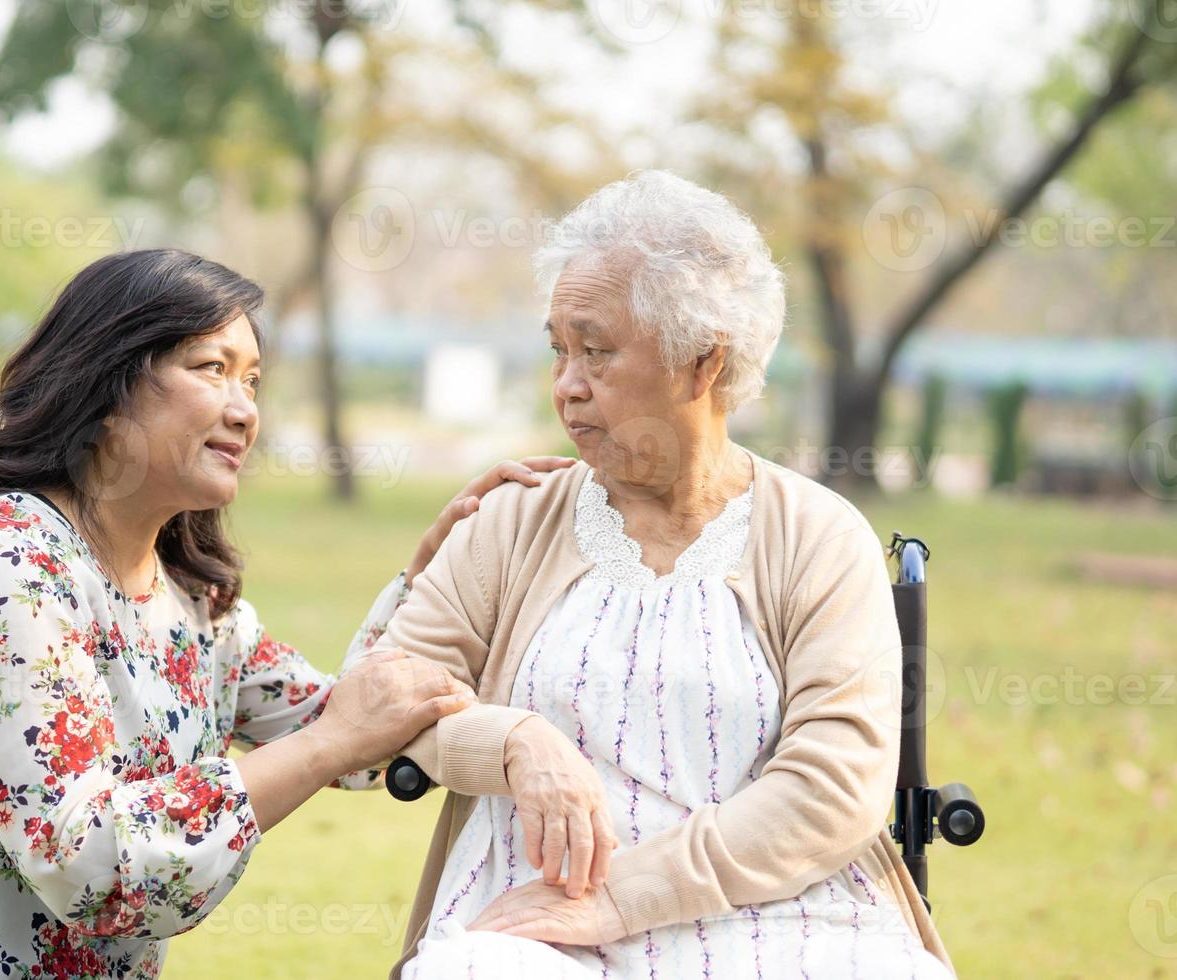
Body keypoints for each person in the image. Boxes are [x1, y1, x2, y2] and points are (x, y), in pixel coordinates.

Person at [0, 248, 574, 978]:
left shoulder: (189, 603)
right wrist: (333, 741)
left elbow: (353, 735)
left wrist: (432, 573)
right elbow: (88, 863)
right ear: (106, 385)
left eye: (252, 380)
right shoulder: (5, 561)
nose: (245, 407)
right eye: (210, 368)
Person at [378, 171, 957, 978]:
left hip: (783, 913)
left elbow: (832, 787)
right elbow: (386, 697)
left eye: (597, 351)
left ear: (702, 364)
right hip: (534, 912)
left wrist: (622, 897)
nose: (566, 385)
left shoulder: (818, 536)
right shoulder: (514, 519)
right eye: (558, 349)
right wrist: (513, 739)